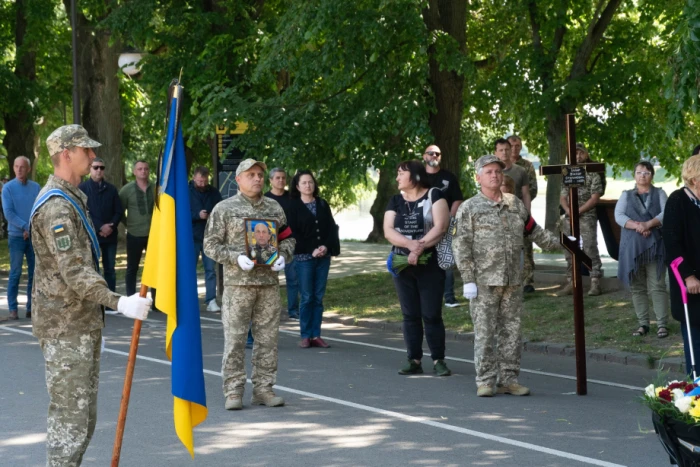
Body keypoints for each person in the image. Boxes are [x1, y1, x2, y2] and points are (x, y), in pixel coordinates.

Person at [30, 124, 151, 466]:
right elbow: (74, 271)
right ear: (66, 154)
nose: (93, 156)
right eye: (86, 151)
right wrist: (120, 301)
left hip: (79, 322)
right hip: (65, 326)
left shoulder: (73, 196)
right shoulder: (56, 207)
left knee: (82, 419)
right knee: (70, 421)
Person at [453, 155, 560, 397]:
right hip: (483, 282)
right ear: (478, 177)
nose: (494, 175)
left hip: (512, 280)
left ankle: (509, 379)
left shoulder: (514, 204)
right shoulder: (469, 208)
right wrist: (468, 278)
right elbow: (461, 245)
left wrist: (564, 242)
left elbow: (535, 232)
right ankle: (485, 380)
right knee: (485, 332)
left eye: (498, 171)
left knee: (512, 332)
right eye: (489, 171)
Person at [203, 158, 294, 410]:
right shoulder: (223, 208)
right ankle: (233, 391)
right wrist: (235, 257)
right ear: (239, 179)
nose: (257, 179)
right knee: (235, 340)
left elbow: (288, 239)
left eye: (260, 174)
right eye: (251, 174)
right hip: (237, 286)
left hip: (268, 285)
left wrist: (283, 257)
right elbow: (210, 245)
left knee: (268, 340)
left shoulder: (274, 208)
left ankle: (264, 389)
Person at [384, 160, 451, 376]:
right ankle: (413, 359)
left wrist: (418, 249)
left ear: (415, 176)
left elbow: (441, 227)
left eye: (401, 173)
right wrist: (409, 246)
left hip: (429, 263)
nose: (397, 178)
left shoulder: (435, 195)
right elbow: (388, 230)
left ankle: (439, 360)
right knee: (409, 314)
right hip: (403, 263)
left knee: (431, 314)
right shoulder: (395, 200)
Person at [615, 161, 669, 338]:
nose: (643, 176)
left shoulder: (660, 193)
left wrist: (648, 224)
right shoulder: (626, 195)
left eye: (646, 172)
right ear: (634, 175)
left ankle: (662, 324)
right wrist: (637, 226)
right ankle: (643, 324)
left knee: (658, 286)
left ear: (652, 175)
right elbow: (619, 215)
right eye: (639, 172)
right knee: (637, 288)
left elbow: (665, 213)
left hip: (655, 247)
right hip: (633, 249)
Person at [288, 170, 339, 348]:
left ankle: (316, 334)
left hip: (323, 257)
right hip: (304, 258)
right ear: (297, 186)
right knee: (307, 296)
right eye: (304, 183)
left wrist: (325, 246)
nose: (308, 185)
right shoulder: (293, 207)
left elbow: (331, 229)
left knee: (318, 296)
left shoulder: (322, 204)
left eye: (310, 182)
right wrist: (312, 250)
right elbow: (293, 233)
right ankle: (305, 334)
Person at [662, 155, 700, 376]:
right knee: (696, 345)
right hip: (691, 285)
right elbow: (672, 243)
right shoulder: (678, 201)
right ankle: (697, 393)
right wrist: (688, 276)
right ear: (694, 178)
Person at [557, 143, 604, 296]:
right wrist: (569, 211)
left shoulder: (592, 173)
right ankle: (572, 282)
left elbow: (595, 198)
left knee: (589, 246)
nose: (578, 156)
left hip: (587, 214)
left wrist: (579, 211)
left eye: (581, 153)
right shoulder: (568, 173)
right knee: (569, 247)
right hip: (569, 215)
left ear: (586, 154)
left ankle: (595, 282)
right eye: (574, 153)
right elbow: (563, 196)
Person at [422, 144, 464, 308]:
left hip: (444, 225)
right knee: (423, 260)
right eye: (430, 153)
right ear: (424, 156)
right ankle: (426, 296)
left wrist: (449, 219)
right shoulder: (418, 177)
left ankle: (449, 298)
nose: (434, 156)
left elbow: (457, 200)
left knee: (446, 259)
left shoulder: (449, 177)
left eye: (437, 154)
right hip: (422, 226)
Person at [2, 156, 40, 319]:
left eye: (22, 167)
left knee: (34, 274)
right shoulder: (8, 188)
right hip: (16, 236)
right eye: (16, 166)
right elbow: (9, 213)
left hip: (33, 237)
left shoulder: (36, 187)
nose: (19, 170)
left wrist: (31, 229)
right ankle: (13, 309)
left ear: (28, 169)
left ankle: (31, 308)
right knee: (15, 273)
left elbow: (39, 209)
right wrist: (26, 227)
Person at [78, 158, 123, 294]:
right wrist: (99, 227)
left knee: (110, 268)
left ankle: (111, 301)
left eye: (101, 168)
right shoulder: (82, 189)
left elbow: (119, 211)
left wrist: (111, 226)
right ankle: (95, 299)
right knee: (92, 268)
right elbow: (83, 212)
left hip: (110, 236)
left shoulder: (111, 189)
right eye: (96, 167)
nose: (99, 170)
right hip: (91, 236)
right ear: (90, 169)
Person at [265, 168, 299, 320]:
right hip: (269, 244)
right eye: (277, 178)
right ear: (271, 180)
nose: (280, 180)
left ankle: (293, 311)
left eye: (283, 178)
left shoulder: (292, 198)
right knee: (270, 280)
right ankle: (270, 311)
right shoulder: (264, 199)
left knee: (293, 279)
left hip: (288, 244)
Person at [119, 160, 155, 297]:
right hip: (134, 234)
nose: (143, 171)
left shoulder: (156, 188)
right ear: (134, 172)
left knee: (154, 268)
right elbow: (119, 211)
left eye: (146, 168)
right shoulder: (126, 190)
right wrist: (129, 224)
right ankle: (131, 298)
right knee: (132, 268)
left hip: (153, 234)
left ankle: (156, 301)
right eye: (140, 169)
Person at [189, 166, 222, 312]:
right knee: (190, 270)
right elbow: (178, 214)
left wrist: (210, 216)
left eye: (204, 181)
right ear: (194, 178)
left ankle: (211, 300)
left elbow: (220, 211)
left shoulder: (214, 192)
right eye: (199, 181)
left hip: (209, 237)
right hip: (191, 236)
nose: (202, 184)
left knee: (210, 270)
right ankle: (190, 300)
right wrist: (197, 215)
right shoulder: (185, 192)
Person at [508, 135, 538, 293]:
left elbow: (532, 188)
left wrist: (521, 203)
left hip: (521, 209)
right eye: (511, 145)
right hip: (504, 210)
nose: (514, 148)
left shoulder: (526, 166)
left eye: (517, 145)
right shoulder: (499, 165)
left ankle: (528, 280)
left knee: (526, 244)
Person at [494, 138, 531, 212]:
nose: (504, 152)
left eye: (507, 149)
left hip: (516, 212)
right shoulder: (492, 172)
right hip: (496, 212)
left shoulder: (521, 171)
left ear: (510, 151)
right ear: (495, 153)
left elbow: (526, 194)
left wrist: (528, 213)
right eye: (501, 150)